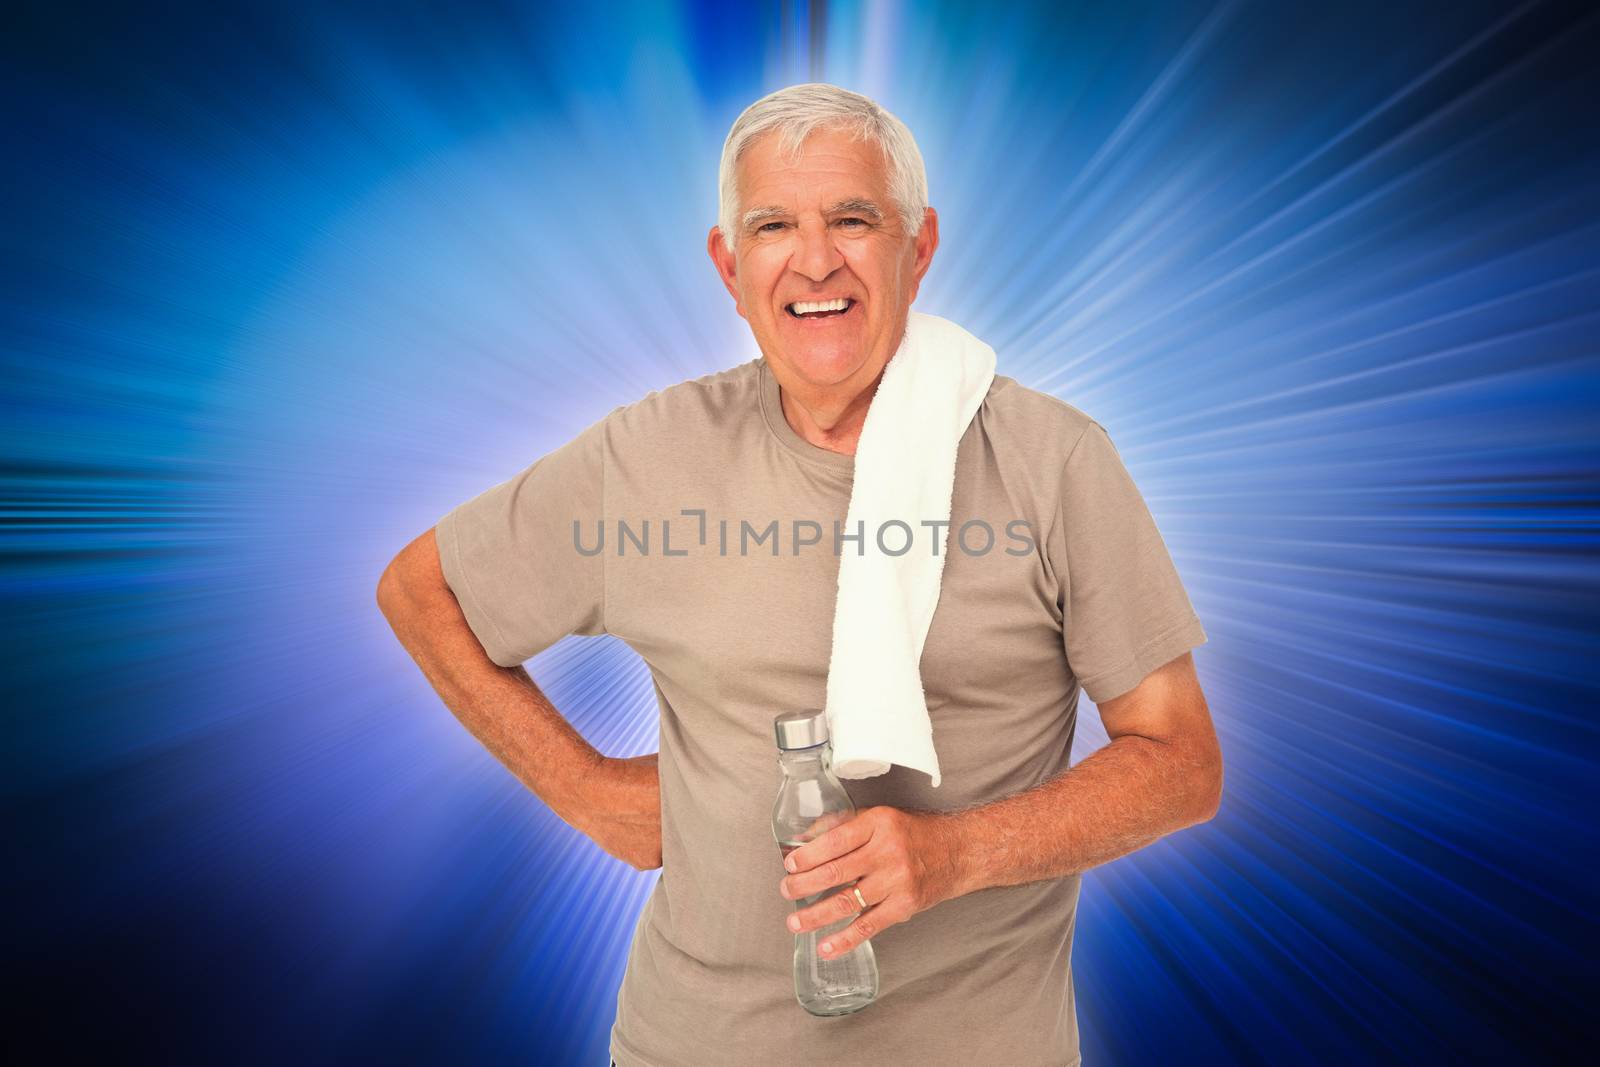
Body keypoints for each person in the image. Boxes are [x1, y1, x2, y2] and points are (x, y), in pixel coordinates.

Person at [378, 82, 1223, 1067]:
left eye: (851, 219)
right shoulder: (648, 456)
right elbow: (421, 589)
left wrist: (957, 852)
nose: (813, 258)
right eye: (774, 224)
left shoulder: (1053, 460)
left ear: (918, 245)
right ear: (728, 266)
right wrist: (587, 792)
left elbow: (1180, 761)